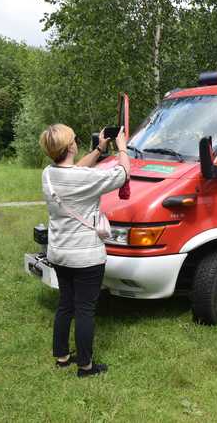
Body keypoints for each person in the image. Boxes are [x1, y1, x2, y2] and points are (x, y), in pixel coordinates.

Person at [39, 124, 130, 377]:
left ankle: (61, 356)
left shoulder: (48, 174)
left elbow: (77, 168)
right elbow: (122, 174)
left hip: (59, 252)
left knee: (65, 304)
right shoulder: (86, 179)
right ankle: (86, 367)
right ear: (70, 147)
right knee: (85, 310)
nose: (77, 143)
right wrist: (122, 147)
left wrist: (100, 148)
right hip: (86, 256)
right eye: (75, 140)